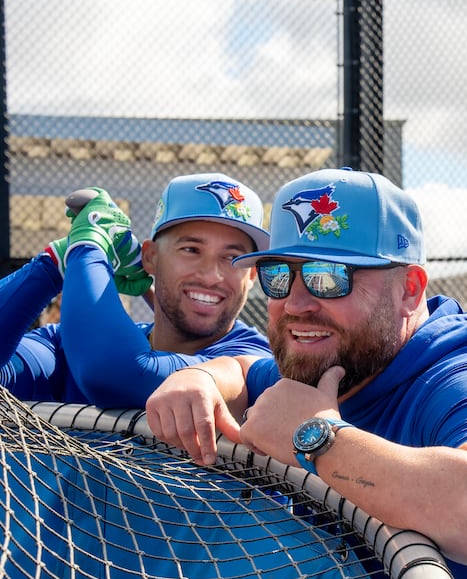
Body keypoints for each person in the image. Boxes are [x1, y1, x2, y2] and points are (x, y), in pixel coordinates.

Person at [143, 167, 467, 579]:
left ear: (410, 290)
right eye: (279, 276)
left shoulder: (465, 377)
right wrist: (202, 378)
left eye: (329, 277)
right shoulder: (325, 365)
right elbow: (246, 370)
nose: (296, 303)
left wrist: (315, 439)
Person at [0, 173, 271, 407]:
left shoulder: (252, 361)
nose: (212, 276)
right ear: (150, 257)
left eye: (231, 257)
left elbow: (115, 373)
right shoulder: (64, 345)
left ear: (252, 274)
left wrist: (86, 251)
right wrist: (52, 264)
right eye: (191, 250)